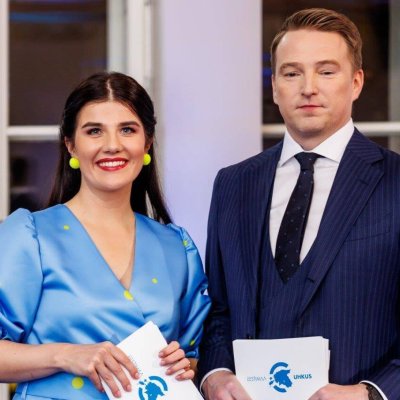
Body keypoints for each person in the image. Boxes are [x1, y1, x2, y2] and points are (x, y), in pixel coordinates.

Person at [198, 8, 400, 400]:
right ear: (275, 86)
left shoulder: (395, 181)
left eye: (326, 71)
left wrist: (370, 393)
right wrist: (215, 374)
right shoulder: (233, 184)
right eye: (292, 73)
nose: (308, 88)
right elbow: (219, 310)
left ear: (356, 82)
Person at [0, 72, 211, 399]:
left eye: (127, 129)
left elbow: (196, 357)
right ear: (71, 144)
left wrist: (185, 365)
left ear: (147, 143)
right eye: (94, 131)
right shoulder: (30, 237)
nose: (112, 145)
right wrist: (65, 355)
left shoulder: (176, 247)